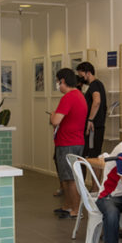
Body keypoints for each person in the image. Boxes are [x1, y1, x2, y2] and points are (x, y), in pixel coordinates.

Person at [50, 68, 87, 219]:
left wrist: (52, 115)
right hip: (77, 141)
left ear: (63, 81)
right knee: (67, 176)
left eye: (58, 81)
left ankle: (76, 209)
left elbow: (55, 120)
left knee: (70, 177)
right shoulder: (79, 95)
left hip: (68, 143)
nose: (58, 85)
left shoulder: (68, 97)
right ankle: (68, 205)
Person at [75, 62, 106, 158]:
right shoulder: (97, 84)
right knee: (93, 155)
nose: (81, 77)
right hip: (96, 126)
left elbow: (97, 101)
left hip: (93, 127)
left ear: (88, 73)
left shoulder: (94, 84)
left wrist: (90, 119)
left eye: (82, 75)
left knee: (92, 156)